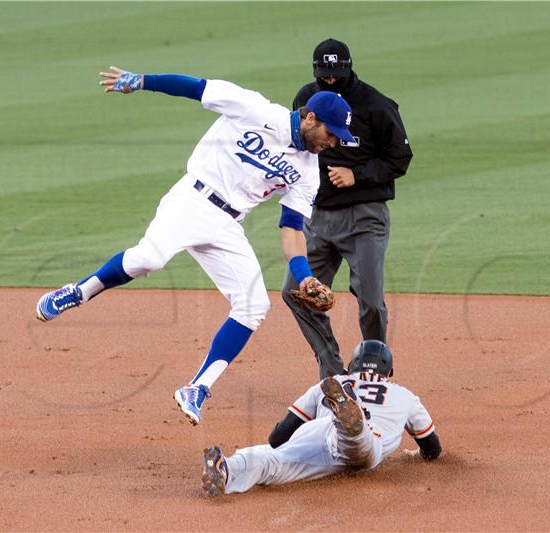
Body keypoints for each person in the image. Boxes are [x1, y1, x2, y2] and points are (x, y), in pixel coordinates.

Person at [35, 66, 354, 426]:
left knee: (253, 305)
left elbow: (292, 228)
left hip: (227, 224)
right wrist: (141, 81)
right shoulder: (255, 109)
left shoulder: (308, 171)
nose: (334, 141)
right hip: (192, 200)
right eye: (331, 132)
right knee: (149, 258)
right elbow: (196, 88)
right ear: (310, 117)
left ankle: (197, 387)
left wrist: (305, 277)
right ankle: (79, 291)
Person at [282, 39, 414, 379]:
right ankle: (333, 373)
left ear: (348, 68)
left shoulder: (375, 105)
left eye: (335, 74)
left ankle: (376, 374)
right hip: (319, 217)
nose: (329, 81)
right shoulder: (305, 100)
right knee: (296, 293)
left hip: (364, 216)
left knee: (369, 299)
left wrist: (358, 175)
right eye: (323, 75)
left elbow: (400, 157)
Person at [200, 340, 441, 496]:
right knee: (361, 446)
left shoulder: (329, 383)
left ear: (351, 367)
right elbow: (432, 447)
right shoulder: (405, 396)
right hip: (365, 439)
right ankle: (351, 422)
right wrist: (418, 455)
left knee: (275, 458)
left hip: (320, 431)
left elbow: (278, 437)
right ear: (389, 373)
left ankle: (226, 468)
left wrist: (296, 446)